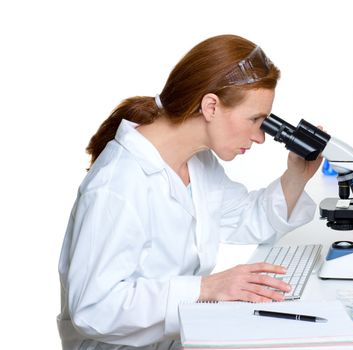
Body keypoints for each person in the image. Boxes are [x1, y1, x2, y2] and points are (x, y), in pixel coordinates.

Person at [57, 34, 322, 349]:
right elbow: (95, 309)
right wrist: (205, 289)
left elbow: (247, 217)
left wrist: (296, 176)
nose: (260, 137)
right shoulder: (118, 184)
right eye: (255, 120)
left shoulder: (197, 163)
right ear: (210, 106)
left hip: (180, 338)